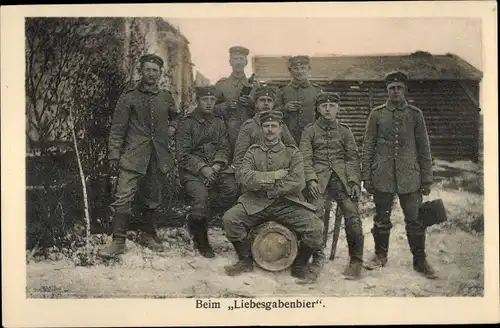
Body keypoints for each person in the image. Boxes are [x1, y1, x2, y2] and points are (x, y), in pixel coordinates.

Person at [222, 110, 324, 284]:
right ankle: (245, 260)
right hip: (256, 201)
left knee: (315, 227)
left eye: (273, 126)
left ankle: (299, 265)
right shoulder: (252, 153)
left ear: (281, 129)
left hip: (287, 202)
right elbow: (243, 177)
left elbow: (298, 181)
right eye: (266, 126)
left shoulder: (293, 153)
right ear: (261, 129)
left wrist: (271, 188)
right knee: (230, 219)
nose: (270, 130)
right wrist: (274, 175)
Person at [100, 54, 179, 258]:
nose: (151, 74)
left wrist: (171, 128)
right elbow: (117, 128)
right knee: (123, 196)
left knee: (153, 198)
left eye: (155, 70)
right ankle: (118, 241)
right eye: (147, 70)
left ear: (160, 73)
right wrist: (114, 154)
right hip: (133, 155)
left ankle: (148, 235)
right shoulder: (129, 97)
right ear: (140, 71)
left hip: (157, 156)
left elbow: (177, 118)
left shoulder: (165, 97)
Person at [361, 71, 437, 279]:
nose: (395, 91)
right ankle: (380, 255)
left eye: (399, 88)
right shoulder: (377, 114)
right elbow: (368, 146)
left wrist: (427, 178)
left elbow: (424, 148)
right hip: (382, 176)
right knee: (381, 219)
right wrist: (366, 176)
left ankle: (420, 260)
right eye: (391, 88)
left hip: (410, 178)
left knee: (414, 220)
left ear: (405, 90)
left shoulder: (415, 114)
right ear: (387, 91)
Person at [300, 92, 364, 280]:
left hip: (342, 180)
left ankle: (356, 260)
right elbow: (305, 157)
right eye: (323, 106)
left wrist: (353, 181)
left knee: (352, 216)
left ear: (338, 108)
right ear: (318, 109)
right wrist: (310, 179)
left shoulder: (345, 131)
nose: (328, 109)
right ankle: (317, 256)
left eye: (332, 105)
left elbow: (353, 158)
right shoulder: (309, 131)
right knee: (315, 215)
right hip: (318, 180)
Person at [176, 85, 238, 258]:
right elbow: (183, 154)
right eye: (205, 100)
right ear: (198, 101)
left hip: (216, 169)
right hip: (193, 172)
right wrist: (203, 169)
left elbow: (224, 147)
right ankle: (201, 239)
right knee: (201, 196)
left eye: (212, 100)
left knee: (231, 190)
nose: (209, 103)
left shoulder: (218, 123)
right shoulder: (187, 123)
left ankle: (199, 219)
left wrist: (216, 167)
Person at [232, 85, 296, 177]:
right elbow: (240, 156)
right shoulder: (249, 126)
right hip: (256, 175)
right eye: (262, 100)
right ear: (256, 104)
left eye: (269, 100)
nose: (266, 103)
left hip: (280, 174)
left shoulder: (281, 125)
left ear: (273, 104)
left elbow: (292, 148)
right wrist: (242, 178)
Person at [214, 46, 260, 151]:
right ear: (230, 62)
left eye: (241, 59)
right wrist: (226, 106)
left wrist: (252, 104)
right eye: (235, 59)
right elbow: (210, 108)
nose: (238, 62)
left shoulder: (255, 86)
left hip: (250, 135)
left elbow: (264, 110)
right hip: (226, 135)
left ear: (246, 62)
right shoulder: (221, 85)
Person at [275, 55, 322, 144]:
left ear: (309, 69)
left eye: (303, 68)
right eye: (296, 68)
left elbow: (321, 115)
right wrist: (285, 109)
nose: (299, 72)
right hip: (287, 137)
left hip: (311, 137)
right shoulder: (283, 90)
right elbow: (273, 113)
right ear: (290, 71)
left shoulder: (316, 91)